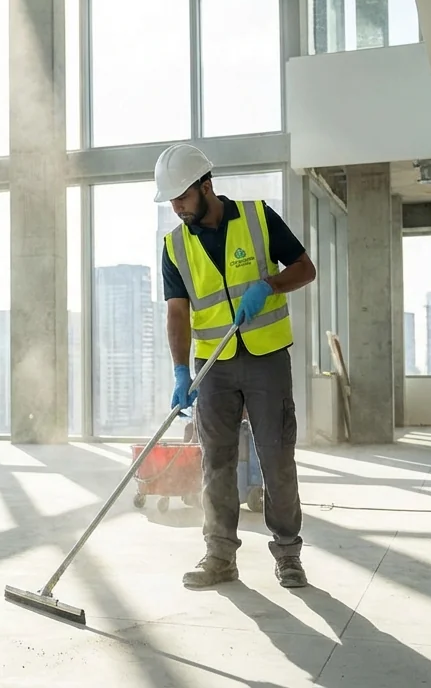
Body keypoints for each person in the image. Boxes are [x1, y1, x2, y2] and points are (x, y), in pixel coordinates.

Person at [154, 143, 317, 590]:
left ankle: (288, 554)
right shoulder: (174, 246)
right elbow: (177, 312)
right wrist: (180, 371)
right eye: (171, 200)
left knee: (277, 458)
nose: (177, 207)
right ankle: (220, 556)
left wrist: (269, 285)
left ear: (206, 185)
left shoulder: (258, 217)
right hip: (214, 366)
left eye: (183, 196)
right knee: (217, 463)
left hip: (266, 358)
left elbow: (305, 269)